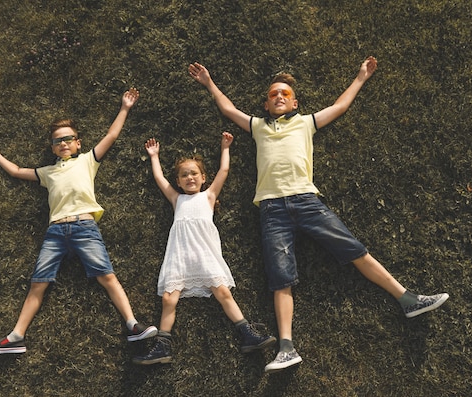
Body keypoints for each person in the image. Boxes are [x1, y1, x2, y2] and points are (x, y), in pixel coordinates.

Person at [188, 57, 449, 373]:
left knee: (355, 250)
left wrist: (361, 77)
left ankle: (408, 299)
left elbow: (339, 107)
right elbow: (229, 110)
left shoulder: (305, 122)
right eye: (273, 95)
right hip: (272, 210)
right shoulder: (258, 126)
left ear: (295, 102)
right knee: (279, 277)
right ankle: (286, 347)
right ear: (267, 106)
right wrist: (208, 83)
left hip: (308, 202)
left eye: (284, 93)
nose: (279, 97)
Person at [0, 88, 157, 354]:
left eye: (68, 139)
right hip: (55, 232)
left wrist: (125, 108)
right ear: (52, 148)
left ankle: (133, 325)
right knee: (38, 282)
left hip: (85, 227)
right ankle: (16, 336)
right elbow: (17, 171)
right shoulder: (48, 172)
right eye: (57, 141)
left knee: (107, 276)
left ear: (78, 143)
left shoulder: (87, 161)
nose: (63, 143)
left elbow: (111, 136)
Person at [132, 132, 276, 365]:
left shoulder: (209, 196)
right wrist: (154, 156)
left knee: (222, 292)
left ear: (203, 178)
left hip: (205, 253)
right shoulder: (176, 199)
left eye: (194, 174)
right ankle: (163, 345)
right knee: (169, 299)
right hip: (179, 254)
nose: (189, 178)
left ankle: (247, 332)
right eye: (184, 175)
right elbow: (160, 179)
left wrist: (225, 148)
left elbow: (224, 171)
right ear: (178, 181)